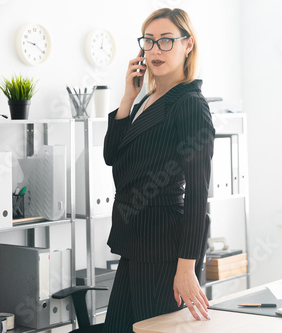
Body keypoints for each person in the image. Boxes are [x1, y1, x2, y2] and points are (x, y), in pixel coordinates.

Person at [102, 7, 215, 333]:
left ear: (187, 44)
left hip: (164, 252)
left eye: (166, 41)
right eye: (148, 42)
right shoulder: (147, 98)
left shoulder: (189, 103)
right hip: (134, 245)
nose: (155, 50)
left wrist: (186, 267)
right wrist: (127, 97)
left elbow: (197, 193)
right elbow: (111, 156)